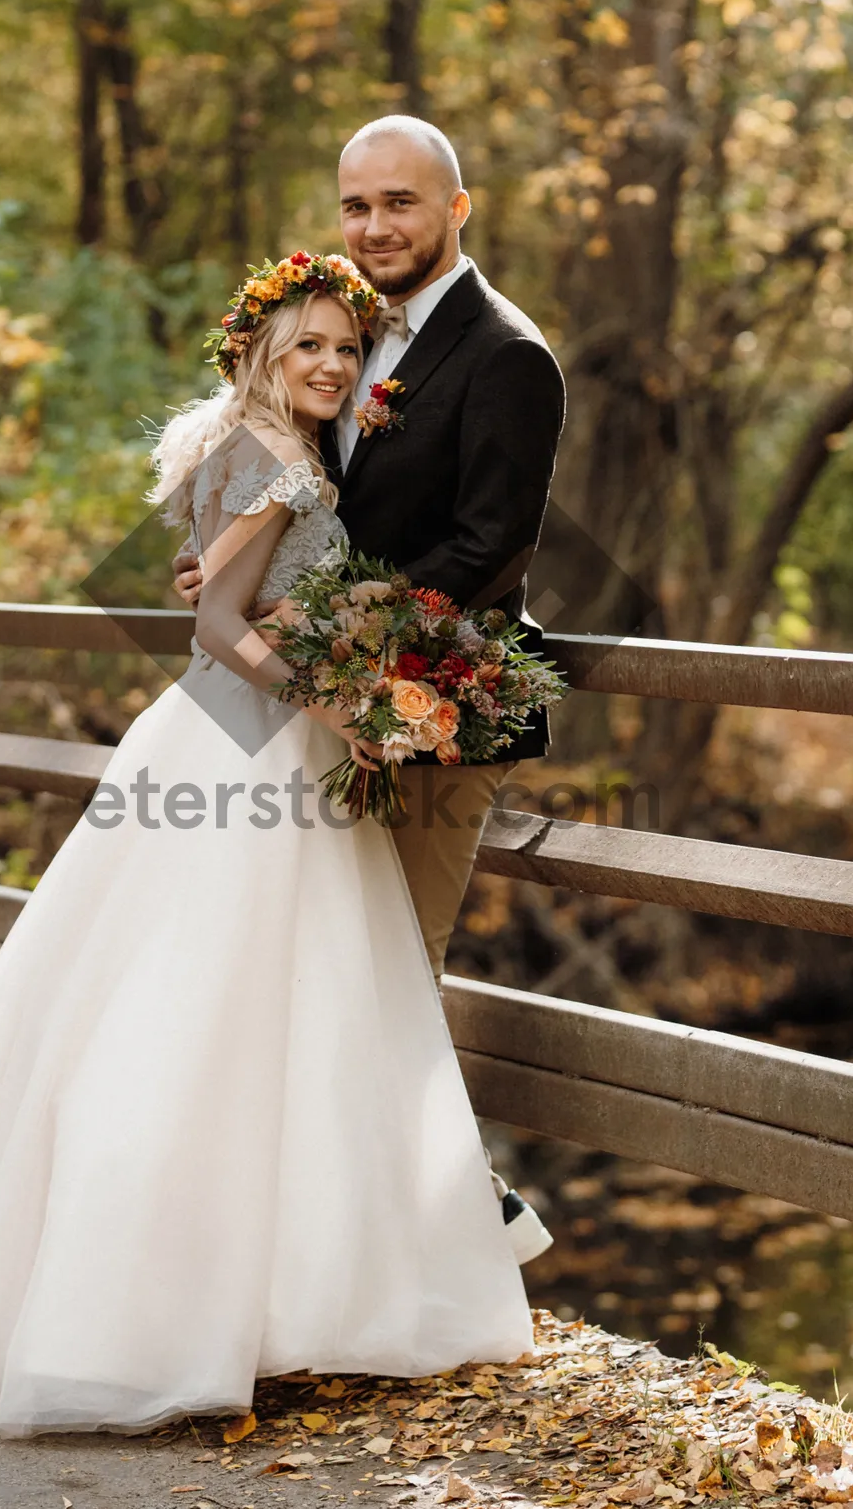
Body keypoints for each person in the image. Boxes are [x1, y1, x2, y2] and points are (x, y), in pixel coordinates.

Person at [0, 254, 533, 1439]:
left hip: (274, 750)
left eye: (343, 347)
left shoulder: (290, 452)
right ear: (262, 355)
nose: (329, 364)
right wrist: (335, 706)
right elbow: (215, 623)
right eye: (306, 347)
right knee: (198, 1014)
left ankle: (286, 1296)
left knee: (296, 1017)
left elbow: (240, 594)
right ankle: (138, 1311)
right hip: (245, 751)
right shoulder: (269, 454)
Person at [176, 117, 566, 1263]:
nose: (376, 225)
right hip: (313, 713)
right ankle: (327, 1247)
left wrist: (321, 621)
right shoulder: (340, 333)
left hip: (433, 708)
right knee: (318, 969)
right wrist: (232, 570)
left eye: (401, 202)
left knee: (391, 970)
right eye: (357, 205)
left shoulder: (506, 355)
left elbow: (489, 546)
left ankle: (468, 1225)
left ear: (459, 208)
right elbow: (298, 487)